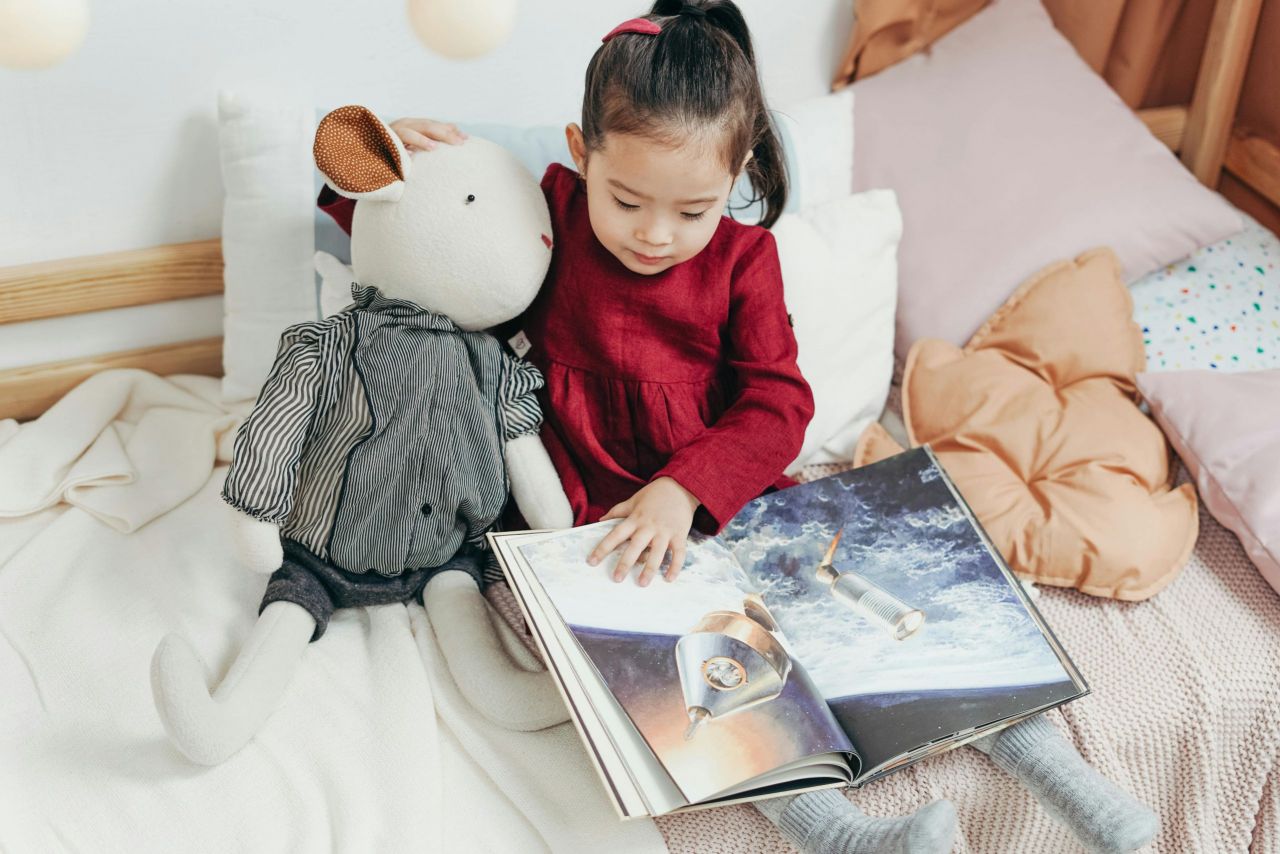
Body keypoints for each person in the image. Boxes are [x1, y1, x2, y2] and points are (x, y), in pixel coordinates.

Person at [318, 4, 1158, 851]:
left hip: (726, 493)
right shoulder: (552, 212)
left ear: (737, 176)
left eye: (692, 210)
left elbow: (779, 402)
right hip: (603, 524)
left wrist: (686, 489)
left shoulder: (742, 260)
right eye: (628, 199)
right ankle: (838, 833)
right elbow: (435, 252)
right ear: (581, 153)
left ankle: (1086, 798)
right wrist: (394, 164)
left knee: (903, 616)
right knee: (708, 679)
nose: (655, 234)